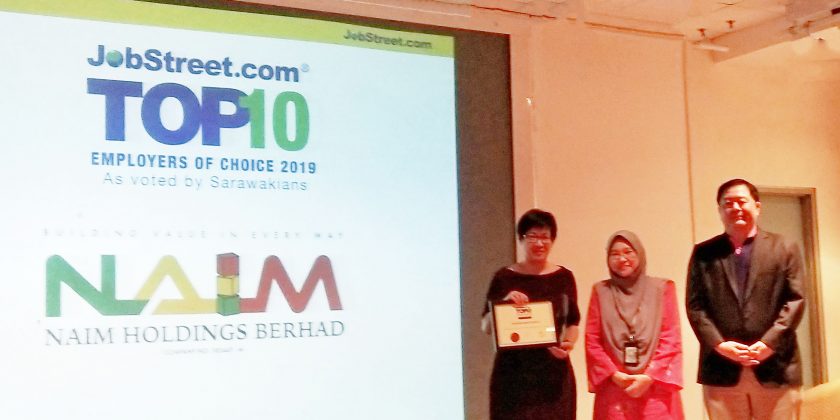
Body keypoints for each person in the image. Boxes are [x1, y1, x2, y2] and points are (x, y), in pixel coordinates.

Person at [686, 178, 805, 420]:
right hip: (721, 370)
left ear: (757, 206)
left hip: (776, 367)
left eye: (742, 201)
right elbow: (695, 306)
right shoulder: (704, 253)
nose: (736, 208)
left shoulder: (785, 247)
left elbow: (795, 300)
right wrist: (720, 345)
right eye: (728, 203)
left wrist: (769, 343)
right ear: (720, 210)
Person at [481, 209, 580, 420]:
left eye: (545, 237)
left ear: (552, 240)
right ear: (521, 239)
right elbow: (485, 326)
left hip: (554, 375)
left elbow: (573, 322)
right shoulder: (503, 277)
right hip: (512, 376)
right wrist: (504, 304)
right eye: (532, 236)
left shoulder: (564, 277)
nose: (539, 243)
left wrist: (568, 344)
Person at [585, 230, 684, 419]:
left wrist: (649, 376)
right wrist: (614, 375)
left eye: (628, 252)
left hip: (656, 388)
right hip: (615, 388)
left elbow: (671, 337)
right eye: (615, 254)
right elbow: (592, 340)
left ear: (640, 253)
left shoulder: (662, 288)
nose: (622, 259)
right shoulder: (601, 291)